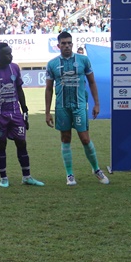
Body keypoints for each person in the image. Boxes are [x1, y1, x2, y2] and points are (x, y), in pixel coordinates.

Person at [44, 32, 110, 186]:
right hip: (62, 107)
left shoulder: (84, 60)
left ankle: (96, 169)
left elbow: (92, 82)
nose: (67, 46)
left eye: (69, 43)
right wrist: (47, 112)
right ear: (58, 45)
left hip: (79, 105)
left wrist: (97, 104)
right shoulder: (52, 64)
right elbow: (48, 89)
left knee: (85, 139)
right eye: (63, 43)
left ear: (72, 44)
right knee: (65, 138)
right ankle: (70, 175)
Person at [0, 42, 44, 187]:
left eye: (11, 53)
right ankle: (3, 178)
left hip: (16, 113)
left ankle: (27, 176)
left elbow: (19, 89)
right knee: (1, 144)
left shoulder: (15, 68)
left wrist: (25, 109)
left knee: (22, 143)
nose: (11, 56)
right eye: (7, 53)